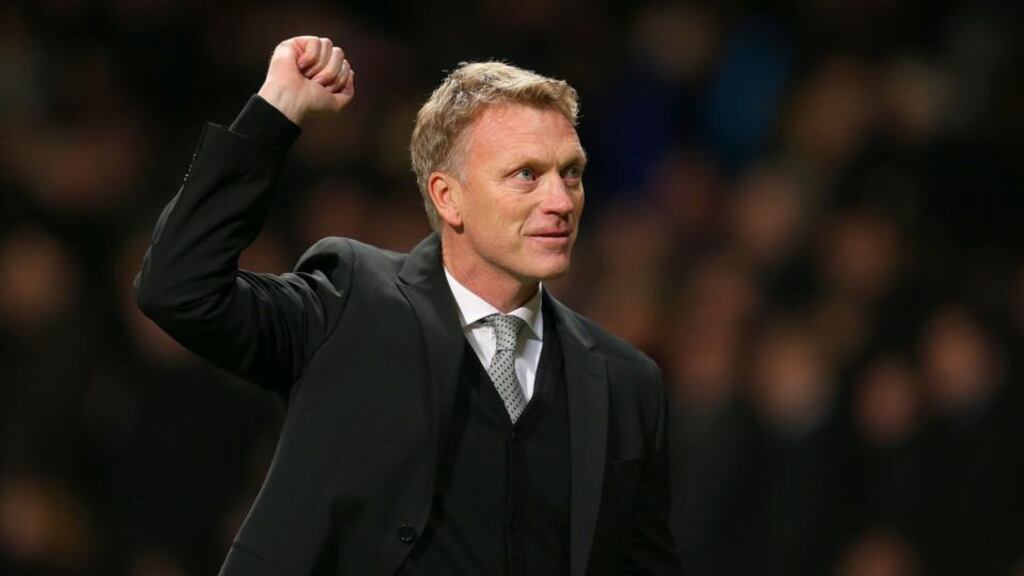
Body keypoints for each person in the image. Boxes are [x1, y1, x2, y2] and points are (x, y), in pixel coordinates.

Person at [135, 35, 681, 575]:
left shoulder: (624, 381)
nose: (560, 201)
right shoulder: (351, 302)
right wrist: (275, 110)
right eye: (526, 175)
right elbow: (179, 288)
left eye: (571, 173)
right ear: (448, 197)